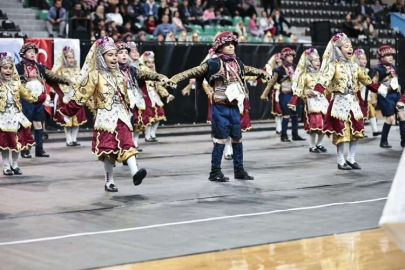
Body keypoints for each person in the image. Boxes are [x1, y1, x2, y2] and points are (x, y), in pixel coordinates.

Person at [170, 32, 270, 182]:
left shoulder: (237, 63)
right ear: (219, 47)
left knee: (237, 139)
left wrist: (262, 74)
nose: (231, 46)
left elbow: (249, 69)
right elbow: (194, 71)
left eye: (232, 44)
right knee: (221, 140)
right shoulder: (213, 63)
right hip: (220, 107)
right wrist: (175, 78)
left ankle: (239, 170)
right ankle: (215, 172)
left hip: (235, 107)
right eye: (227, 44)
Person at [59, 37, 150, 192]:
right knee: (108, 151)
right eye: (110, 55)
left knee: (128, 143)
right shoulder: (95, 75)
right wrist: (67, 111)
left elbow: (125, 96)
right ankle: (109, 181)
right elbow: (82, 95)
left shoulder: (120, 75)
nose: (114, 57)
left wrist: (129, 110)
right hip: (105, 119)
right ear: (101, 57)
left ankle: (135, 173)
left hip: (121, 116)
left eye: (115, 54)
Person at [312, 33, 380, 170]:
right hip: (339, 102)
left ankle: (351, 158)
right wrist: (316, 91)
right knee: (341, 132)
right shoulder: (333, 66)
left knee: (356, 130)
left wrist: (385, 90)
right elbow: (324, 80)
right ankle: (341, 160)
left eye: (351, 46)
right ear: (338, 49)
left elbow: (367, 81)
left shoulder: (355, 66)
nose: (350, 49)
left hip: (353, 103)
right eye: (346, 46)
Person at [16, 42, 71, 158]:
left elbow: (53, 76)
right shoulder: (18, 67)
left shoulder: (40, 67)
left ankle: (39, 150)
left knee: (38, 124)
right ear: (23, 54)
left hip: (38, 99)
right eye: (29, 52)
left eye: (34, 52)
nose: (32, 54)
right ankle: (25, 150)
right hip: (25, 100)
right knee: (25, 125)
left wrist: (67, 81)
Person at [116, 42, 172, 152]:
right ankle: (121, 148)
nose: (125, 55)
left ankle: (133, 145)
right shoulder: (113, 69)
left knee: (137, 122)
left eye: (126, 52)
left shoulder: (133, 68)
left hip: (136, 99)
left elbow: (146, 75)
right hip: (119, 102)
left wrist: (159, 77)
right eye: (121, 52)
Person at [0, 52, 46, 175]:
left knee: (17, 142)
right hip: (3, 118)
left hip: (16, 117)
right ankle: (6, 166)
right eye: (5, 68)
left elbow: (27, 94)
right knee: (5, 144)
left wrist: (39, 98)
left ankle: (14, 164)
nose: (8, 70)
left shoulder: (16, 83)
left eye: (10, 67)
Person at [288, 48, 329, 153]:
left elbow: (326, 87)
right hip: (312, 103)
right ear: (309, 62)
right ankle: (312, 145)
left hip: (323, 102)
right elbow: (299, 89)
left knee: (325, 124)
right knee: (315, 124)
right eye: (315, 60)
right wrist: (304, 93)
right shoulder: (304, 76)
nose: (318, 62)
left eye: (318, 60)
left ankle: (319, 144)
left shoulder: (321, 74)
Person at [261, 47, 305, 142]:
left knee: (294, 115)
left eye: (292, 56)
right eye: (288, 56)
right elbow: (271, 83)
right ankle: (283, 135)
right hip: (284, 94)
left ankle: (295, 135)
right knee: (286, 115)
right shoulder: (278, 69)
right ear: (284, 57)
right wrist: (265, 94)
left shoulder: (295, 67)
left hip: (293, 94)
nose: (291, 58)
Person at [52, 46, 87, 147]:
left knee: (77, 118)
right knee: (67, 119)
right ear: (65, 58)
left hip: (76, 96)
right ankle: (68, 139)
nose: (71, 59)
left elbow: (81, 80)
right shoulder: (60, 69)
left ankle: (74, 139)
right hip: (66, 96)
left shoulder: (77, 68)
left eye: (72, 57)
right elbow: (55, 80)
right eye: (69, 57)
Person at [137, 51, 175, 142]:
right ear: (144, 63)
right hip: (146, 95)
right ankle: (147, 136)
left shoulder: (155, 73)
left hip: (155, 96)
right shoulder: (142, 71)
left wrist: (167, 95)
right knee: (149, 116)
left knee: (160, 113)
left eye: (152, 62)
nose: (150, 64)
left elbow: (158, 85)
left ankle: (152, 134)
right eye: (148, 62)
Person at [370, 45, 401, 148]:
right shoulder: (378, 69)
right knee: (390, 118)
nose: (391, 57)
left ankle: (404, 140)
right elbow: (373, 84)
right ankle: (383, 141)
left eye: (391, 55)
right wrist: (373, 99)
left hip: (396, 94)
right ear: (381, 56)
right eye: (387, 55)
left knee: (402, 114)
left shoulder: (393, 67)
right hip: (385, 95)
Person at [352, 48, 380, 137]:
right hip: (358, 95)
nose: (365, 61)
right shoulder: (354, 70)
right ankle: (359, 131)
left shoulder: (367, 71)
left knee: (371, 111)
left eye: (365, 59)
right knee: (360, 114)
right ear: (357, 59)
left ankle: (375, 130)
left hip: (366, 95)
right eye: (362, 59)